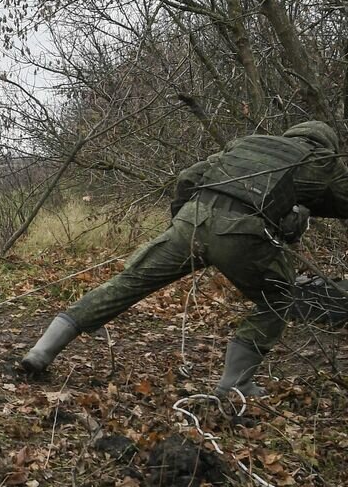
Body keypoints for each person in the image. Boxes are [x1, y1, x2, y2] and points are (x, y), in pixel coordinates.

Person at [19, 122, 348, 397]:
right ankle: (236, 383)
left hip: (190, 223)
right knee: (278, 298)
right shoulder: (324, 160)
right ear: (326, 143)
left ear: (291, 134)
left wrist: (181, 220)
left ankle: (42, 351)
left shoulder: (248, 143)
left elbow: (189, 177)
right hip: (242, 235)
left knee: (127, 283)